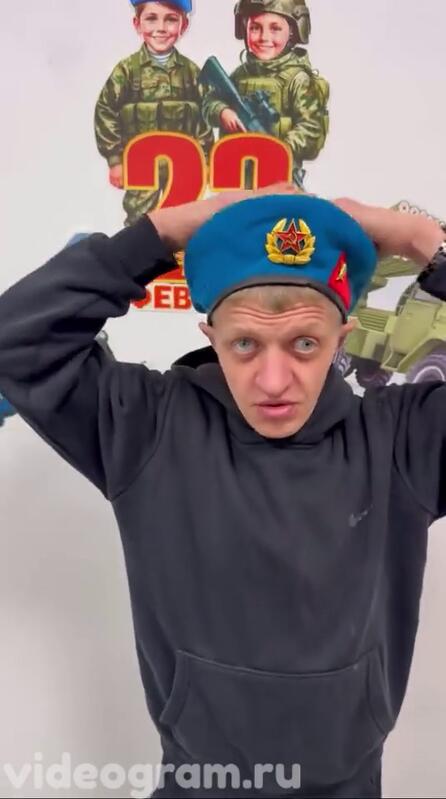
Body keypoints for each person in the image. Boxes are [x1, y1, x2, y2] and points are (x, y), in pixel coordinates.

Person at [0, 183, 445, 799]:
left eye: (304, 344)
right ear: (212, 337)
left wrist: (423, 241)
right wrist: (162, 232)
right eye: (245, 344)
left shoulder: (404, 442)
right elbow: (15, 341)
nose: (273, 380)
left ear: (341, 339)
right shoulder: (146, 427)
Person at [94, 0, 214, 226]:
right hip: (142, 168)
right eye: (151, 18)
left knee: (182, 221)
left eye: (171, 19)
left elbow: (203, 118)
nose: (161, 28)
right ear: (137, 24)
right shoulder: (127, 70)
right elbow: (106, 110)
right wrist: (115, 160)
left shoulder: (191, 72)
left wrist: (205, 160)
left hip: (182, 168)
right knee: (138, 222)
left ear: (184, 25)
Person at [202, 0, 329, 187]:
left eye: (275, 28)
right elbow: (210, 100)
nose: (264, 37)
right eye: (255, 28)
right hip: (238, 176)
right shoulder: (241, 75)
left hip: (278, 175)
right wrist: (222, 111)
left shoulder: (298, 80)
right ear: (244, 29)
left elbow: (311, 129)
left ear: (293, 30)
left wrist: (279, 150)